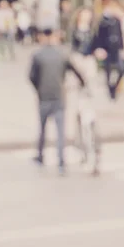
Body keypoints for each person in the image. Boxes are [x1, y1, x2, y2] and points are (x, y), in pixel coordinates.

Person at [29, 29, 85, 175]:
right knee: (60, 130)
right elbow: (76, 71)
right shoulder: (62, 54)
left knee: (42, 128)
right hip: (59, 96)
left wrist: (39, 88)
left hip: (44, 97)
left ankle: (40, 155)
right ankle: (61, 160)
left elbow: (31, 77)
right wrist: (82, 84)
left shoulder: (38, 55)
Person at [92, 0, 124, 101]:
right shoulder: (103, 21)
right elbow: (99, 35)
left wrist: (122, 46)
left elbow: (120, 34)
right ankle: (110, 90)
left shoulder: (116, 20)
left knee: (121, 69)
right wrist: (99, 48)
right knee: (108, 71)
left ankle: (114, 87)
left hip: (116, 49)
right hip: (107, 49)